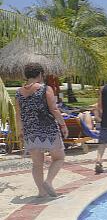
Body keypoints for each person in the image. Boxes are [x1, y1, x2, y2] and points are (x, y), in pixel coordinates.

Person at [14, 63, 69, 198]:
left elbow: (18, 114)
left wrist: (20, 130)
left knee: (37, 163)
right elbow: (54, 109)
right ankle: (48, 181)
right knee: (59, 158)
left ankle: (41, 192)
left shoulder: (18, 93)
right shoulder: (45, 89)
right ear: (39, 74)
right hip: (48, 129)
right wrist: (63, 125)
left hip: (30, 131)